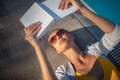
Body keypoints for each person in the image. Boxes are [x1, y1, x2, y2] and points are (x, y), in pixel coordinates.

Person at [24, 0, 120, 80]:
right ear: (57, 50)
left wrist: (83, 11)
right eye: (53, 40)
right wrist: (38, 48)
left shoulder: (96, 50)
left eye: (60, 32)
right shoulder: (65, 73)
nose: (58, 37)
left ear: (71, 36)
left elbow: (116, 34)